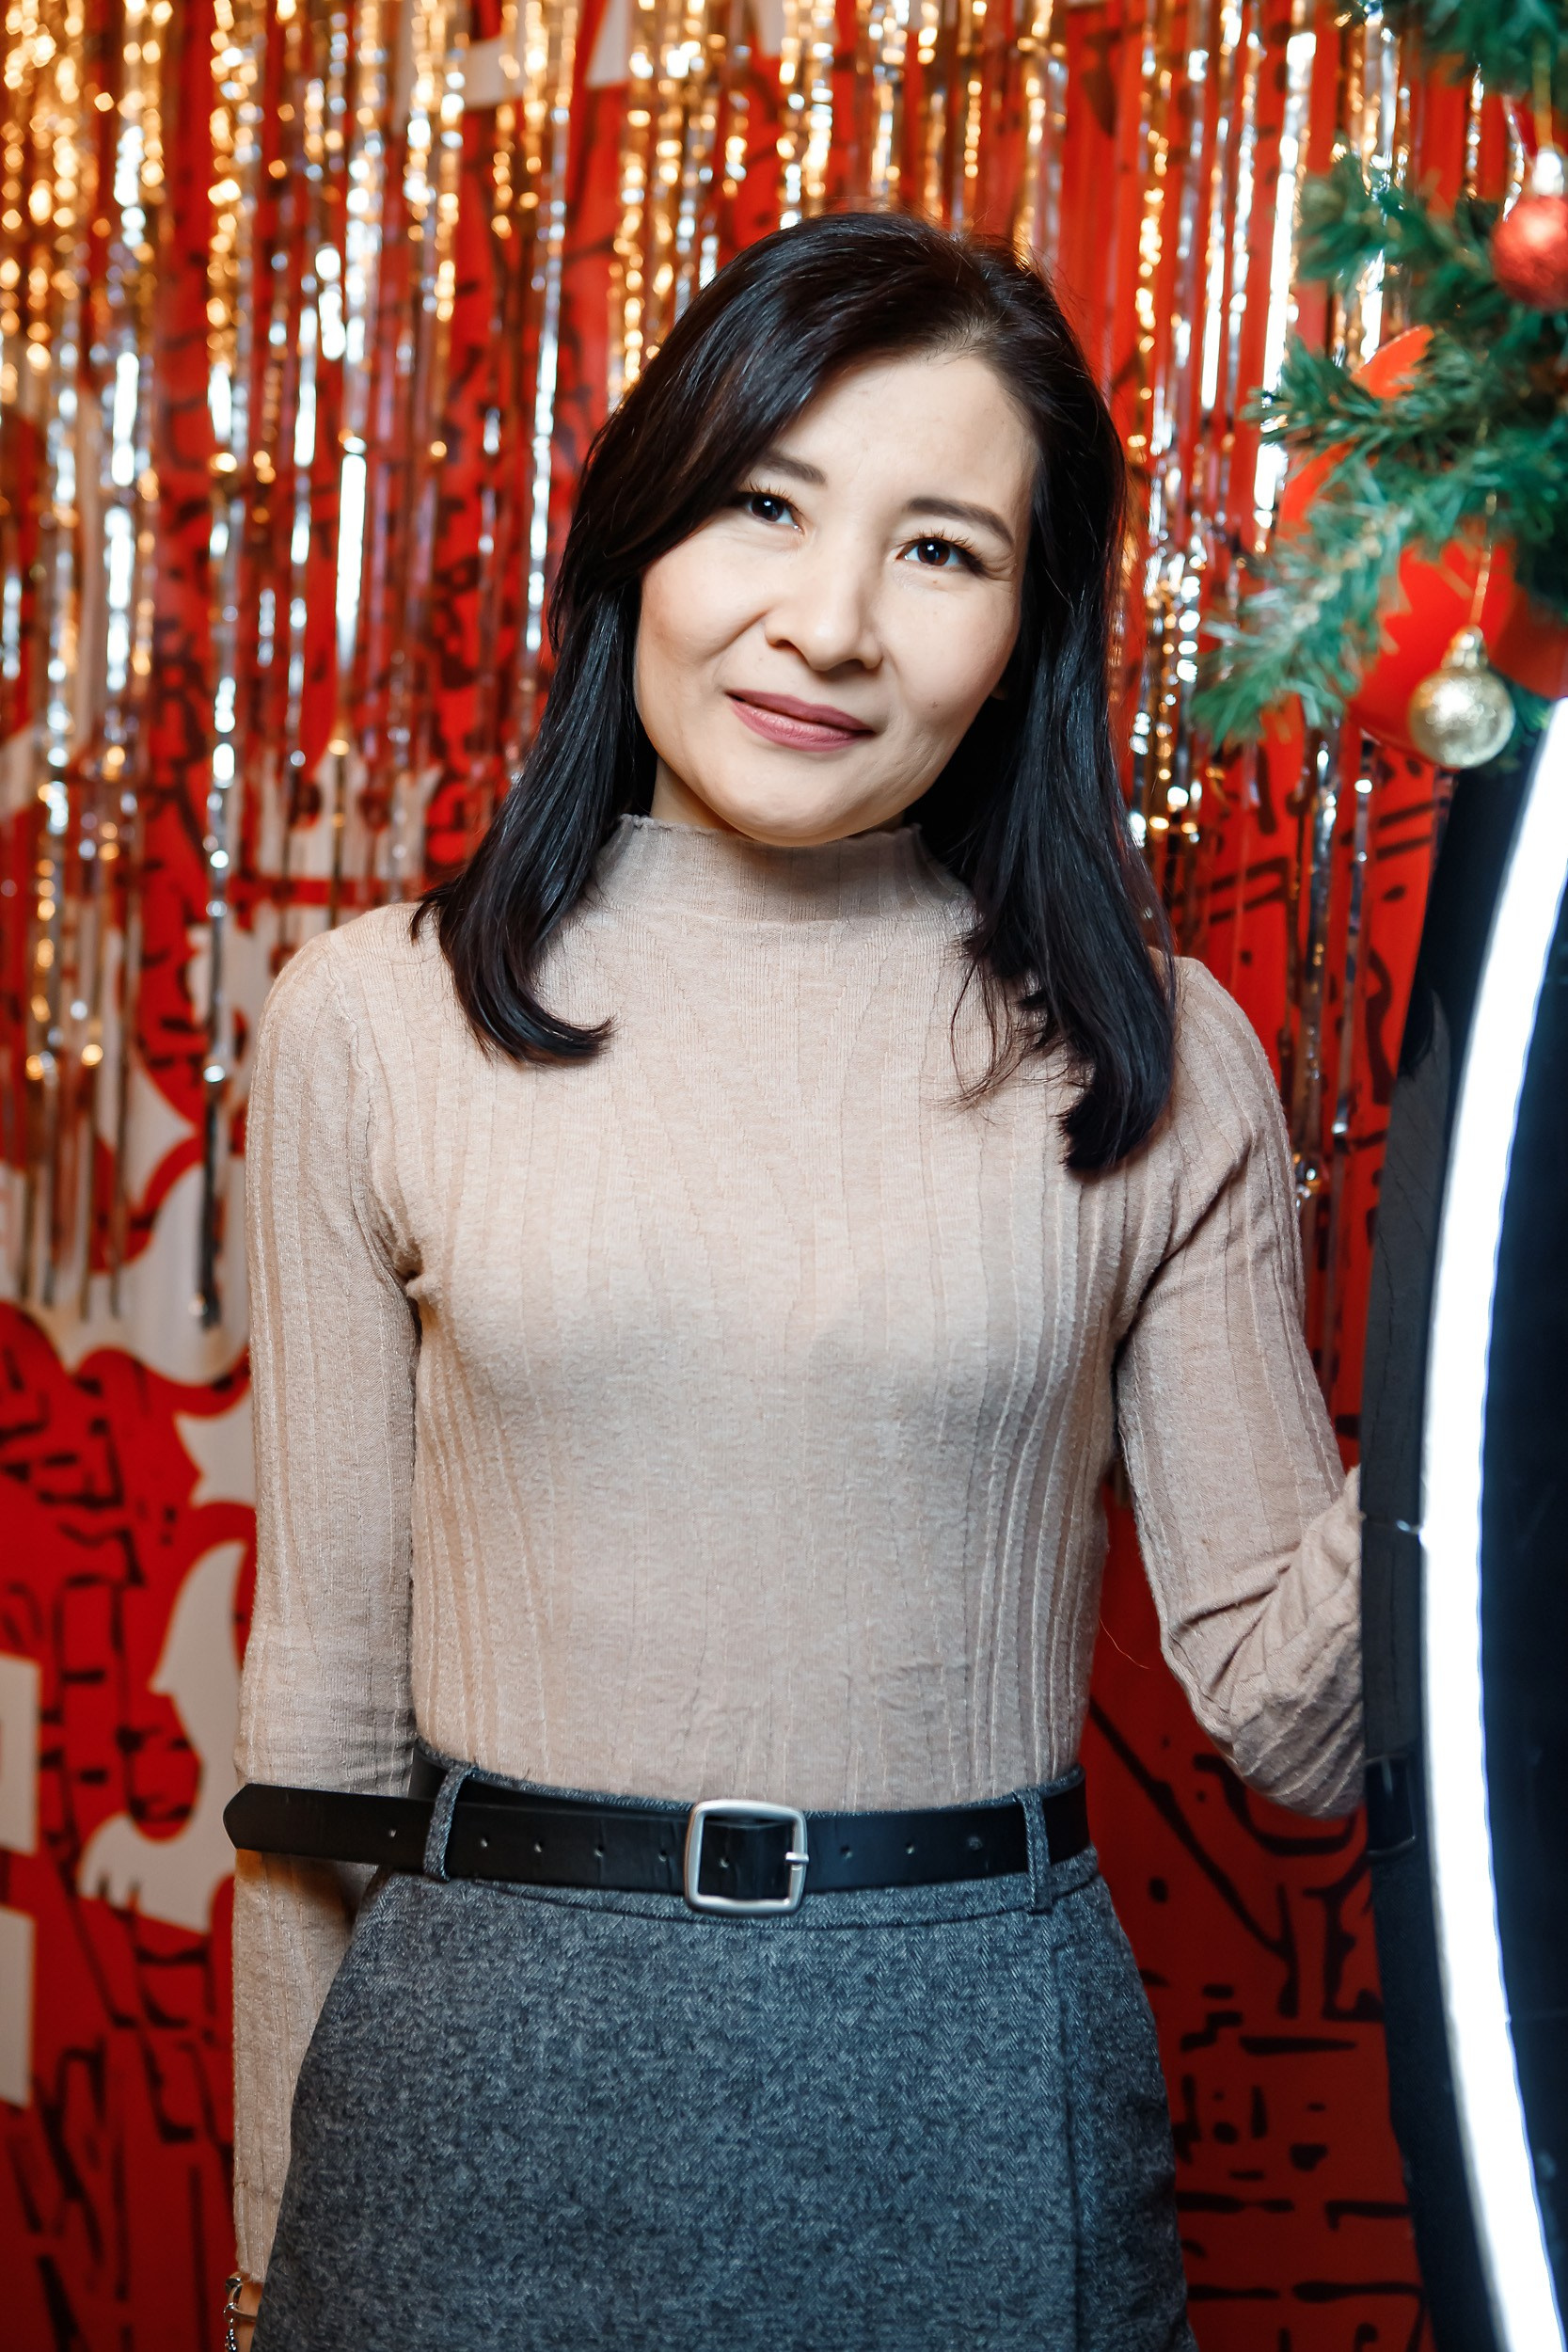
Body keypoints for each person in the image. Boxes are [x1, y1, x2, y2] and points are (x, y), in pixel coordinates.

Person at [226, 211, 1362, 2352]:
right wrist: (276, 2247)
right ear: (644, 526)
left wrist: (1496, 1395)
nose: (826, 624)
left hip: (979, 2091)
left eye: (940, 549)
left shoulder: (1153, 1050)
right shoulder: (372, 1019)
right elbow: (321, 1719)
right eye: (766, 503)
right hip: (474, 2096)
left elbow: (1297, 1732)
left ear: (1028, 628)